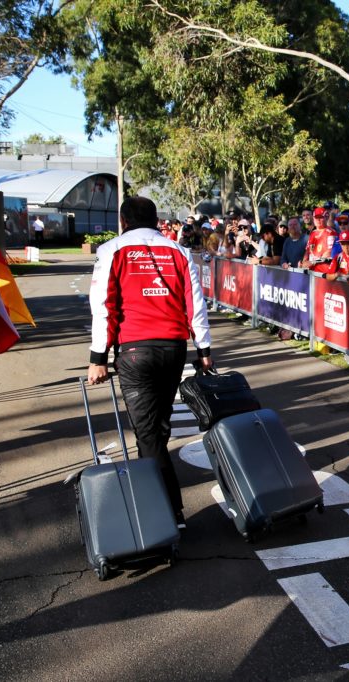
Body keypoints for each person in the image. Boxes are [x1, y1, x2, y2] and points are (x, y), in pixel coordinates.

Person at [87, 196, 213, 529]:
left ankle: (169, 513)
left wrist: (98, 357)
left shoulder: (111, 250)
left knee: (149, 434)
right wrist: (203, 350)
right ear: (157, 221)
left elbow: (103, 306)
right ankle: (163, 510)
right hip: (174, 349)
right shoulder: (179, 251)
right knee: (157, 428)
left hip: (134, 352)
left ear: (123, 221)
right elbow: (195, 303)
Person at [301, 207, 336, 272]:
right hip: (312, 270)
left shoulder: (331, 232)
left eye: (321, 217)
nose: (318, 220)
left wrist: (313, 262)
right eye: (316, 218)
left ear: (326, 218)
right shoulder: (313, 233)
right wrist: (304, 262)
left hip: (324, 271)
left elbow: (329, 252)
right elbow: (307, 251)